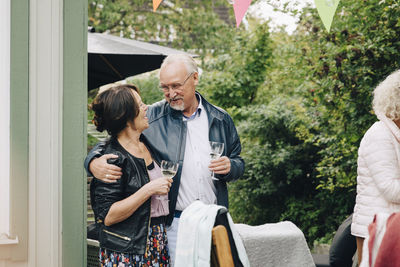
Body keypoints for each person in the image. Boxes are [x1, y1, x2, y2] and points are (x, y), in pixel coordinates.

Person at [85, 54, 245, 264]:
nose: (171, 94)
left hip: (212, 221)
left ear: (194, 78)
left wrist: (232, 166)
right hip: (174, 224)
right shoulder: (151, 116)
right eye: (165, 87)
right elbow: (116, 136)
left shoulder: (221, 118)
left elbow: (239, 162)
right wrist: (92, 161)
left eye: (176, 86)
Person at [89, 84, 172, 267]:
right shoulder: (112, 160)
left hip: (156, 240)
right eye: (140, 105)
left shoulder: (148, 143)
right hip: (127, 250)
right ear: (126, 116)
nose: (146, 108)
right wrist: (149, 189)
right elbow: (108, 216)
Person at [351, 69, 400, 264]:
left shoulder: (395, 135)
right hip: (375, 230)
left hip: (392, 228)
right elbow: (389, 188)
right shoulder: (379, 135)